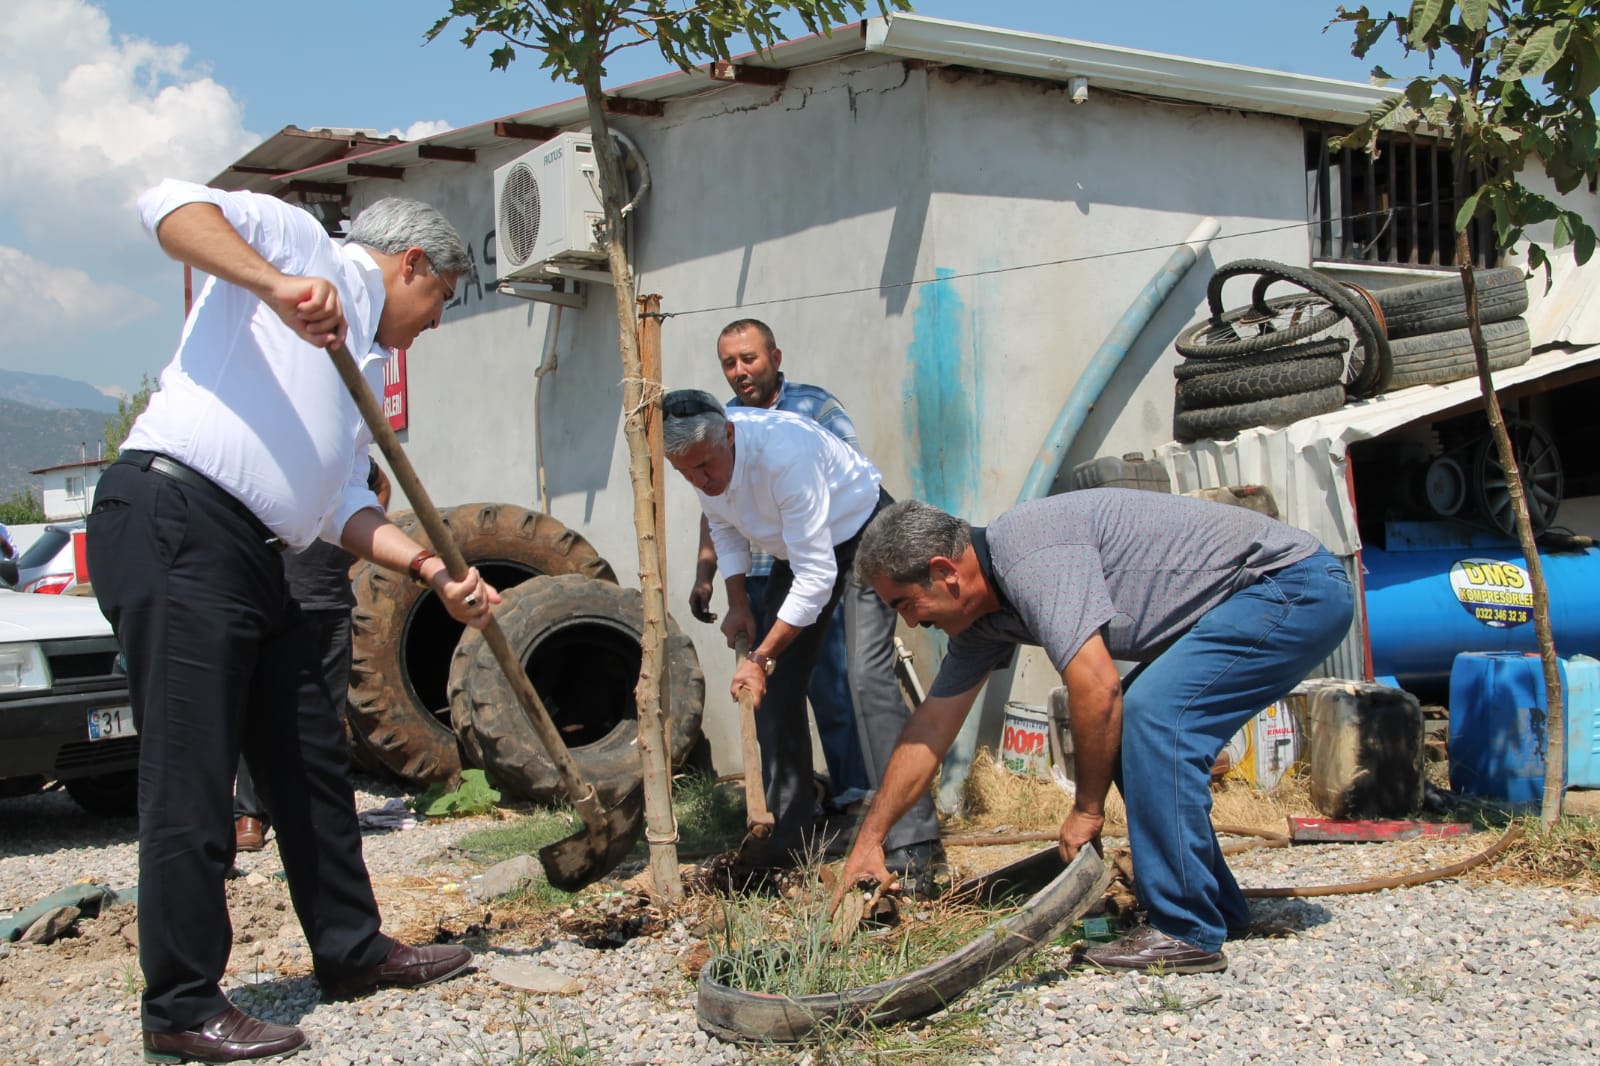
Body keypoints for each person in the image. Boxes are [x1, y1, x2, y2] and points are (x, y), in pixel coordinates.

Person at [87, 180, 501, 1064]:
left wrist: (432, 568)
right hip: (174, 515)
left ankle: (351, 949)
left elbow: (340, 507)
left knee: (306, 757)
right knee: (193, 768)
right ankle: (182, 1006)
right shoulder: (302, 245)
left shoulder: (362, 370)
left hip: (255, 549)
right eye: (440, 300)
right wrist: (277, 286)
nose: (433, 323)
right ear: (411, 264)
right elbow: (163, 205)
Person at [838, 492, 1353, 973]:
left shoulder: (1029, 553)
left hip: (1293, 587)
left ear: (945, 572)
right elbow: (929, 729)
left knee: (1153, 717)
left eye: (904, 603)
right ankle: (1212, 906)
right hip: (1258, 598)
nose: (908, 624)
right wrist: (872, 838)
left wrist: (1087, 810)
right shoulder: (983, 622)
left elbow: (1096, 686)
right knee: (1141, 722)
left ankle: (1186, 929)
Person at [662, 389, 944, 890]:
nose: (700, 480)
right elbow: (724, 527)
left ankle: (913, 841)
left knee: (865, 677)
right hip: (801, 551)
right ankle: (789, 833)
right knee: (773, 691)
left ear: (729, 434)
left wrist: (763, 654)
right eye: (687, 473)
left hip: (865, 532)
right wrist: (740, 602)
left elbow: (817, 577)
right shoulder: (699, 455)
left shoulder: (783, 454)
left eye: (705, 466)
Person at [688, 318, 870, 809]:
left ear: (775, 358)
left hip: (820, 561)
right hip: (767, 573)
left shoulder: (814, 408)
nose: (740, 371)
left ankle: (854, 796)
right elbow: (717, 511)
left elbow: (848, 479)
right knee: (772, 691)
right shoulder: (719, 420)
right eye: (730, 363)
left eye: (750, 358)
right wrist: (714, 579)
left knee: (829, 680)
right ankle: (787, 803)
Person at [234, 458, 391, 854]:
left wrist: (357, 549)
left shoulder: (343, 454)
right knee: (263, 712)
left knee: (327, 716)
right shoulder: (270, 451)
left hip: (333, 603)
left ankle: (323, 813)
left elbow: (380, 484)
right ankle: (250, 815)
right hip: (278, 601)